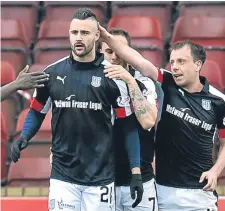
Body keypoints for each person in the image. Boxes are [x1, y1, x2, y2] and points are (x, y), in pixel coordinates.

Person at [10, 8, 157, 211]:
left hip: (101, 179)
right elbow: (36, 112)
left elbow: (128, 128)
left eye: (85, 33)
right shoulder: (51, 74)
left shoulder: (113, 77)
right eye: (74, 32)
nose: (79, 38)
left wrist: (136, 173)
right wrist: (24, 136)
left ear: (97, 36)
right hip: (63, 177)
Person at [98, 25, 225, 211]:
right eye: (172, 62)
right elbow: (139, 62)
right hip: (163, 190)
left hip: (200, 192)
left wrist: (215, 171)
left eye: (181, 61)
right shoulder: (166, 82)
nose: (175, 67)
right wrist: (108, 38)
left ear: (198, 65)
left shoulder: (219, 101)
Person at [100, 28, 162, 211]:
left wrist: (129, 81)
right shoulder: (94, 82)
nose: (114, 57)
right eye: (109, 51)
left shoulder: (145, 81)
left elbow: (148, 121)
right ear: (101, 52)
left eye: (119, 51)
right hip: (101, 180)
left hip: (141, 177)